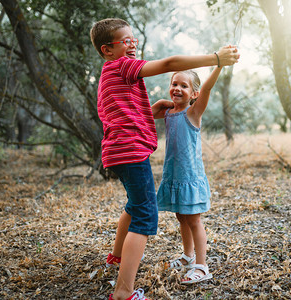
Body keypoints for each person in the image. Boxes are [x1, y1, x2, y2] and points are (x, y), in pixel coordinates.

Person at [89, 18, 239, 300]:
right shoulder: (121, 65)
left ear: (192, 94)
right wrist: (216, 58)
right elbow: (170, 63)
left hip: (118, 152)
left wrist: (151, 109)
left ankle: (119, 256)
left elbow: (126, 112)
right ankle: (123, 292)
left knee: (136, 206)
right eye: (127, 41)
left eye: (134, 40)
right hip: (131, 152)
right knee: (145, 216)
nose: (133, 45)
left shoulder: (109, 74)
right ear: (108, 49)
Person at [156, 65, 229, 284]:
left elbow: (207, 89)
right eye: (174, 84)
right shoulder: (168, 112)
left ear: (194, 93)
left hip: (189, 177)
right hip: (174, 175)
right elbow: (144, 115)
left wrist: (219, 66)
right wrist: (159, 104)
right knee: (181, 216)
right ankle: (187, 257)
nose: (177, 88)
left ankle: (202, 265)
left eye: (183, 86)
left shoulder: (192, 113)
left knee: (194, 220)